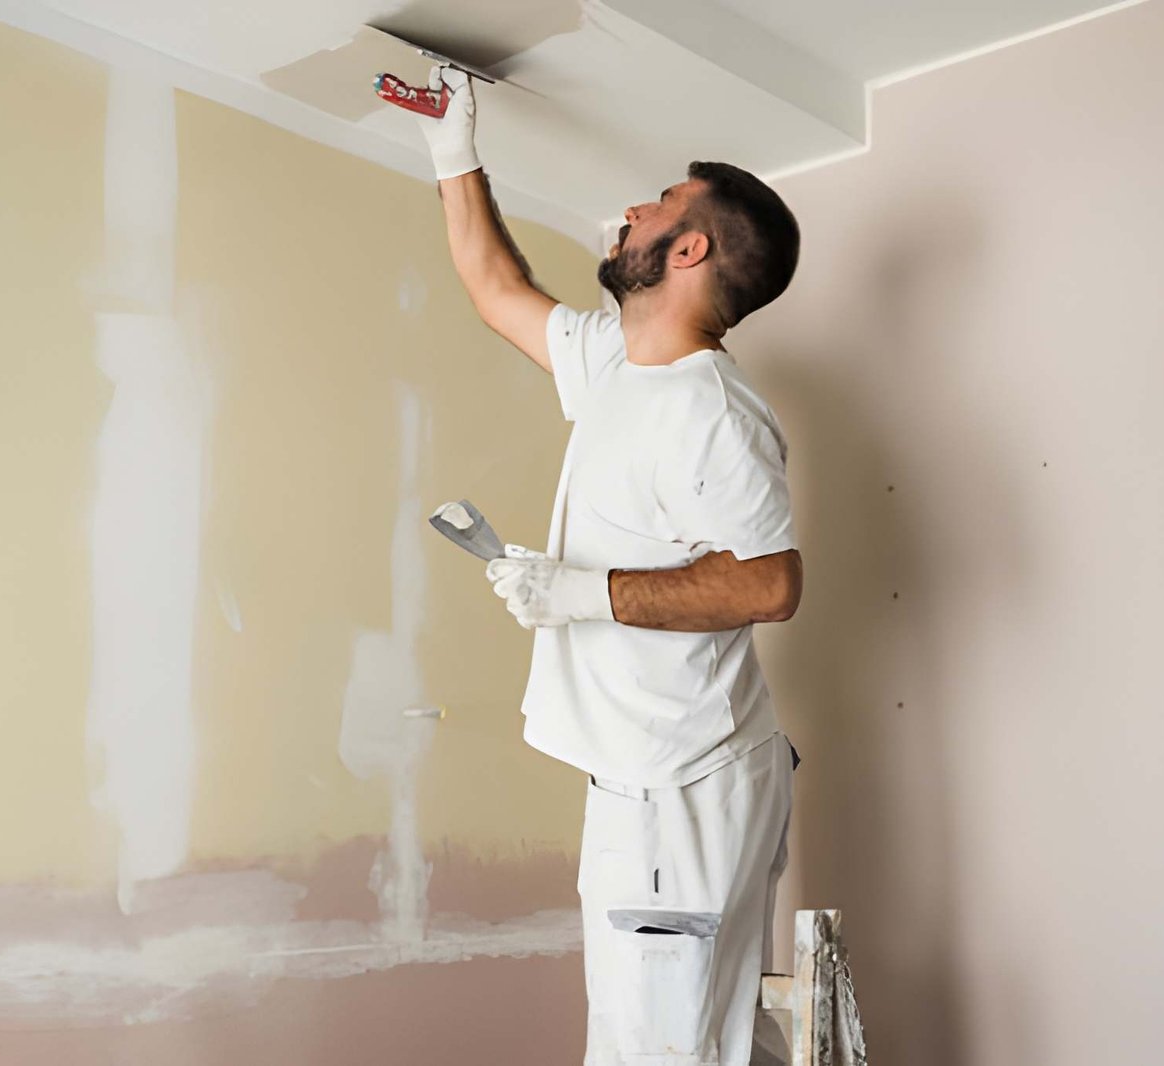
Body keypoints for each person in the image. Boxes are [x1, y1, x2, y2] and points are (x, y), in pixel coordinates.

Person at [416, 65, 804, 1066]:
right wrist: (455, 151)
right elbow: (495, 288)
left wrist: (580, 594)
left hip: (682, 785)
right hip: (636, 777)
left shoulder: (712, 411)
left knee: (667, 1050)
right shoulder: (613, 368)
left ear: (687, 249)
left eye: (658, 205)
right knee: (669, 1041)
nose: (628, 211)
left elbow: (771, 583)